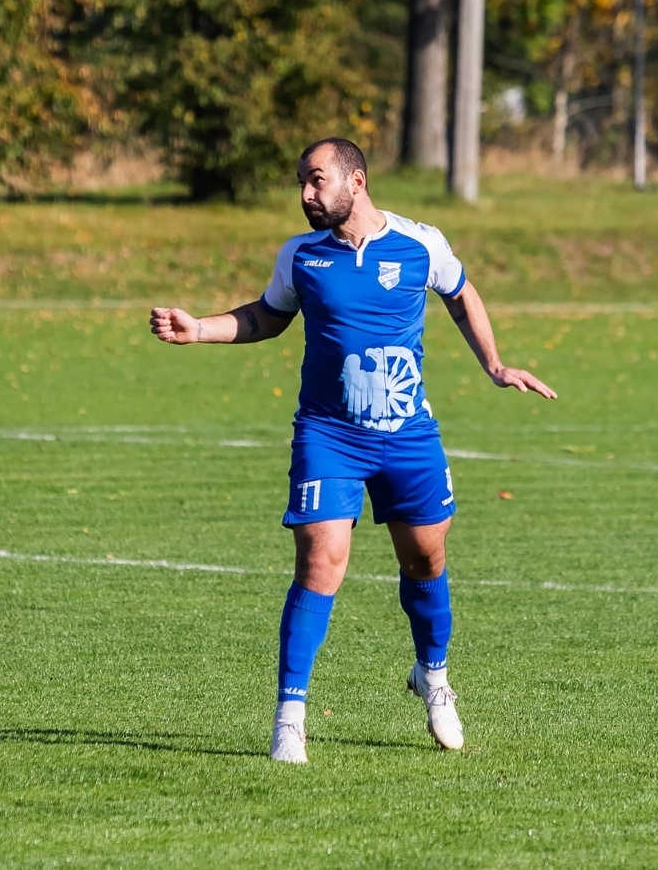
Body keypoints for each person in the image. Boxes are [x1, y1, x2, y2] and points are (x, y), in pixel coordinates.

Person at [150, 138, 556, 762]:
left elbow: (460, 294)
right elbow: (268, 316)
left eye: (316, 180)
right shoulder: (302, 256)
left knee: (425, 559)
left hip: (407, 434)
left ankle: (434, 678)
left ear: (356, 180)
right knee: (321, 562)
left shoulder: (421, 244)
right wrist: (199, 329)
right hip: (328, 434)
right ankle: (290, 716)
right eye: (301, 183)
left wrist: (495, 365)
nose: (306, 194)